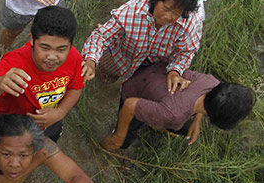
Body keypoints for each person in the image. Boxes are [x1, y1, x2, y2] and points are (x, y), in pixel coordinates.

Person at [0, 6, 84, 142]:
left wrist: (60, 112)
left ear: (70, 45)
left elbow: (75, 87)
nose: (52, 57)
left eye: (61, 49)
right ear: (32, 39)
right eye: (45, 47)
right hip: (8, 127)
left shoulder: (74, 57)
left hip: (49, 121)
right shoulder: (14, 63)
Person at [82, 0, 202, 88]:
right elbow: (102, 36)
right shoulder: (134, 9)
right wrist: (91, 61)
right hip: (121, 57)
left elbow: (185, 52)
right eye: (166, 9)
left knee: (135, 88)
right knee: (105, 74)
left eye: (176, 13)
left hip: (154, 67)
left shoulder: (191, 22)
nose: (168, 17)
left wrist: (175, 70)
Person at [101, 62, 255, 150]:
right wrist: (118, 136)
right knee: (123, 142)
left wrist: (197, 119)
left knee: (187, 128)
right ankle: (100, 146)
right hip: (133, 90)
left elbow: (203, 97)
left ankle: (154, 119)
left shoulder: (213, 83)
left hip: (152, 70)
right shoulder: (174, 115)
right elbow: (130, 105)